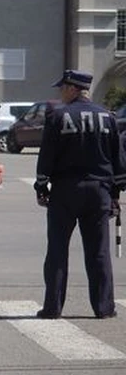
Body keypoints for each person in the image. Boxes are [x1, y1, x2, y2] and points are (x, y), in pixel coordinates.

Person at [34, 69, 126, 319]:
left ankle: (53, 308)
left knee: (57, 251)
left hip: (65, 192)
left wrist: (41, 186)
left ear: (73, 88)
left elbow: (47, 157)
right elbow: (118, 161)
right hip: (99, 192)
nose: (60, 92)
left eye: (62, 88)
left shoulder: (58, 116)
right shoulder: (108, 118)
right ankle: (104, 308)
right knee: (98, 252)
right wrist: (115, 195)